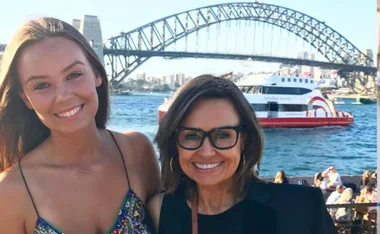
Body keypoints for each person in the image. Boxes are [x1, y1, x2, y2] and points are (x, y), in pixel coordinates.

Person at [0, 17, 160, 233]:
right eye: (42, 85)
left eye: (74, 75)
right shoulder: (10, 192)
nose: (63, 96)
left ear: (96, 74)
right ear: (26, 98)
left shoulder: (137, 151)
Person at [148, 75, 337, 234]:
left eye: (223, 135)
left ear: (244, 140)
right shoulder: (160, 212)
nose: (206, 151)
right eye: (191, 135)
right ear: (174, 143)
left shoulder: (302, 208)